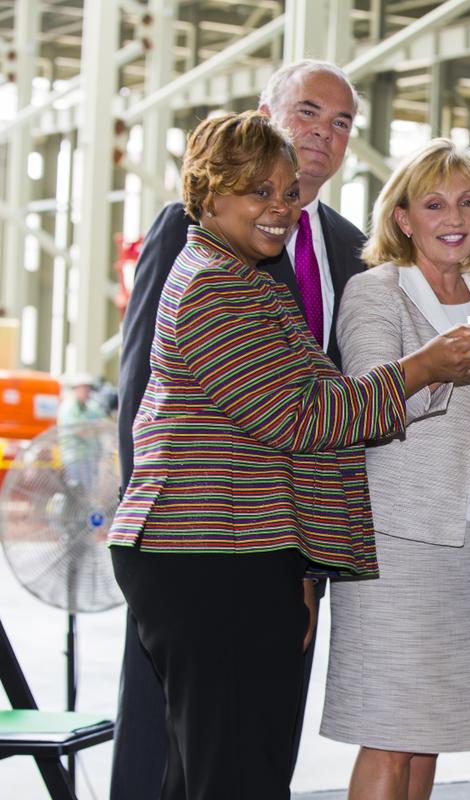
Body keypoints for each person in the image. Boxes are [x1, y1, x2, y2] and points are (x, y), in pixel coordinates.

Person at [108, 111, 470, 800]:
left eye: (286, 192)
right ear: (207, 194)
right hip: (211, 554)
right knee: (234, 773)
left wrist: (300, 567)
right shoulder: (216, 286)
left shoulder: (243, 279)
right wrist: (420, 369)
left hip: (242, 552)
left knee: (218, 769)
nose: (281, 208)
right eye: (258, 191)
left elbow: (303, 409)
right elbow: (302, 417)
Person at [111, 59, 363, 799]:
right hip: (194, 542)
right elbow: (142, 393)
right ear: (264, 115)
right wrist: (153, 519)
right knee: (170, 747)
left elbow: (324, 410)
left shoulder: (353, 250)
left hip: (283, 550)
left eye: (342, 122)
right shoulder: (191, 231)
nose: (323, 133)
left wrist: (310, 563)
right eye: (308, 111)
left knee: (257, 754)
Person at [319, 139, 470, 800]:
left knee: (429, 733)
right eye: (434, 204)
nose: (454, 217)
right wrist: (435, 368)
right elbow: (367, 405)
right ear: (402, 218)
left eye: (468, 202)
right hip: (395, 541)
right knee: (389, 732)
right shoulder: (375, 292)